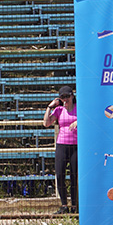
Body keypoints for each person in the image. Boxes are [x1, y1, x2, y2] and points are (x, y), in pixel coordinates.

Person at [43, 85, 78, 214]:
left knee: (74, 176)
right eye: (62, 97)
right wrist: (49, 107)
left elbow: (89, 119)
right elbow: (46, 123)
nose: (65, 99)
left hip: (76, 146)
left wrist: (79, 121)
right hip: (62, 145)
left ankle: (74, 205)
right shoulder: (59, 110)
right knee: (60, 175)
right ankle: (64, 205)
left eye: (67, 96)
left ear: (72, 96)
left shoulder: (79, 109)